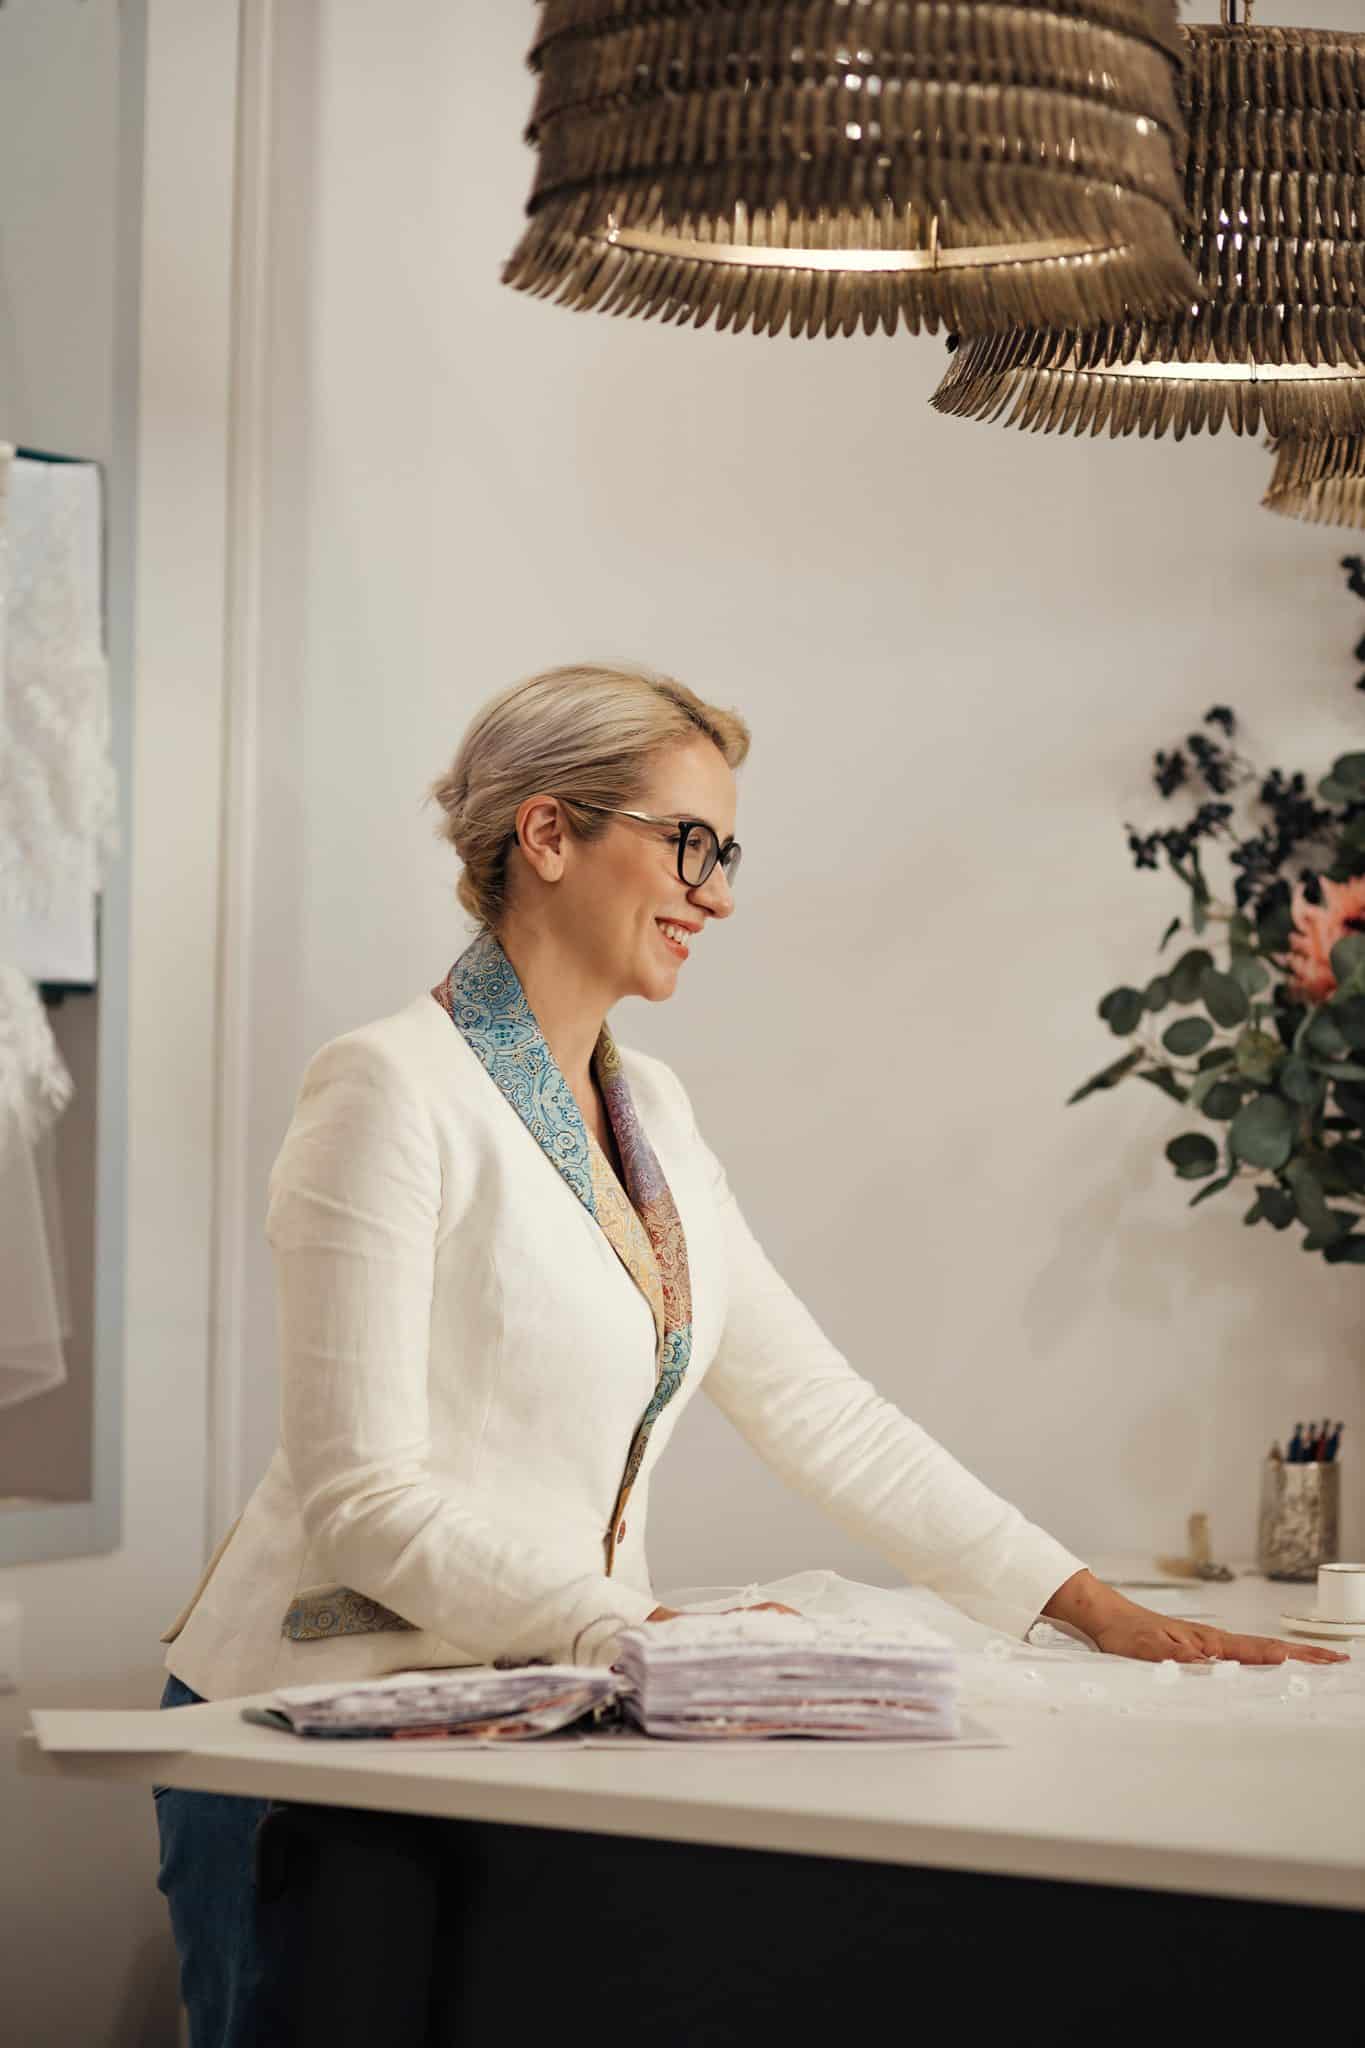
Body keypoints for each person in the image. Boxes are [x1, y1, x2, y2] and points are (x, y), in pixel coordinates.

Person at [152, 662, 1345, 2044]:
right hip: (321, 1734)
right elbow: (360, 1502)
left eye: (726, 853)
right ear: (547, 836)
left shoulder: (645, 1105)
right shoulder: (386, 1088)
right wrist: (649, 1632)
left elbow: (817, 1408)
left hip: (531, 1719)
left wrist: (1084, 1604)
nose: (717, 894)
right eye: (688, 844)